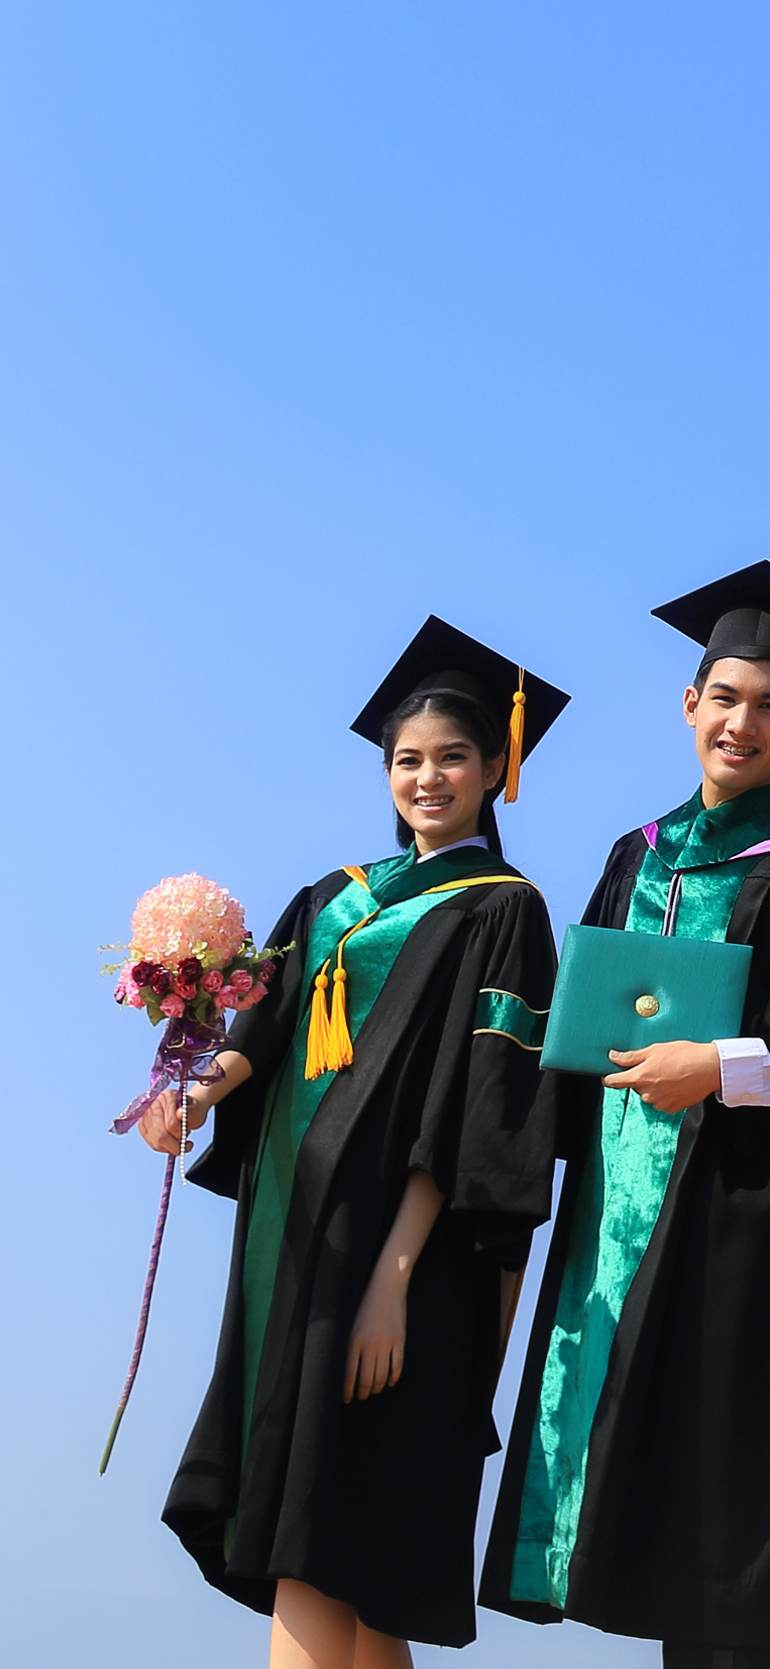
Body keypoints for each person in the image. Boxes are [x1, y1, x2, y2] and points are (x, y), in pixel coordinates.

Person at [483, 560, 770, 1669]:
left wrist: (714, 1065)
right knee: (669, 1516)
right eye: (725, 698)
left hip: (746, 1230)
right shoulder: (635, 855)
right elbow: (572, 1029)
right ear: (689, 703)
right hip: (621, 1226)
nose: (742, 723)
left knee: (742, 1507)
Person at [153, 619, 565, 1668]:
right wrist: (193, 1090)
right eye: (407, 760)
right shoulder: (332, 898)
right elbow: (262, 1027)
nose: (428, 779)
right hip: (295, 1243)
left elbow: (481, 1111)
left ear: (496, 769)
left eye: (453, 758)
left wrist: (394, 1277)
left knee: (335, 1538)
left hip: (406, 1263)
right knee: (344, 1563)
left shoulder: (505, 913)